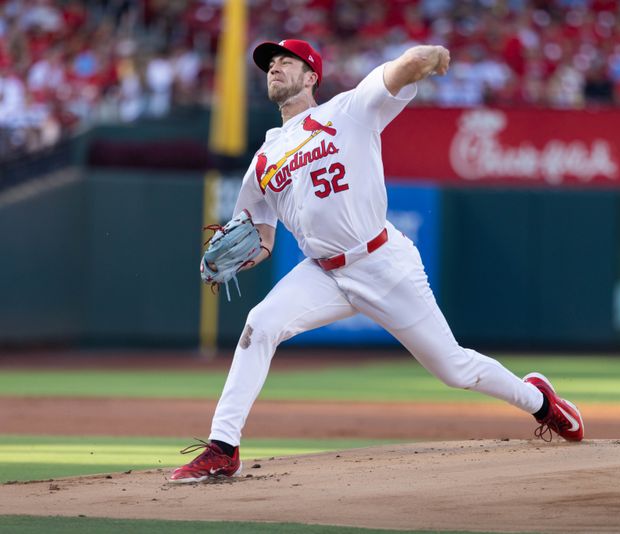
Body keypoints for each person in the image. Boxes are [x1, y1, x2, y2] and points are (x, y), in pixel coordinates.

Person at [169, 39, 584, 483]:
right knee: (260, 324)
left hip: (382, 262)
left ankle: (539, 401)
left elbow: (398, 72)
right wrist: (249, 255)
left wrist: (425, 58)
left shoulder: (347, 111)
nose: (274, 68)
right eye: (270, 64)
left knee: (454, 369)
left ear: (311, 77)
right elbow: (262, 231)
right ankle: (223, 447)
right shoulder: (263, 160)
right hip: (322, 272)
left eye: (286, 62)